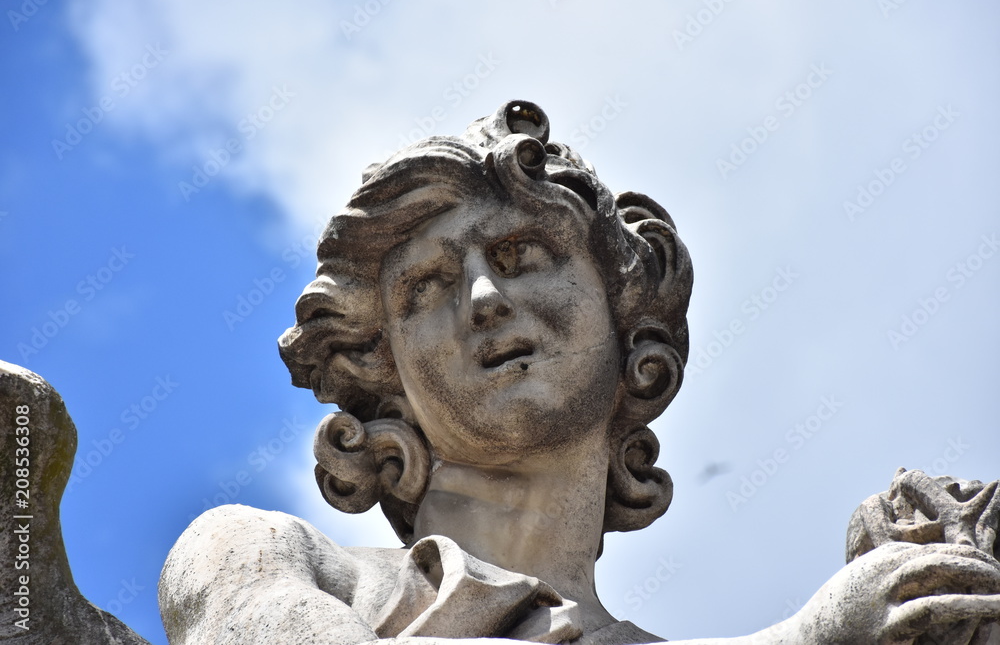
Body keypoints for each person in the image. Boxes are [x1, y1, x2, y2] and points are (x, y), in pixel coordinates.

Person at [159, 101, 1000, 644]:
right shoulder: (263, 557)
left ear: (628, 315)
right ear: (388, 380)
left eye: (523, 254)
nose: (486, 299)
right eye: (428, 288)